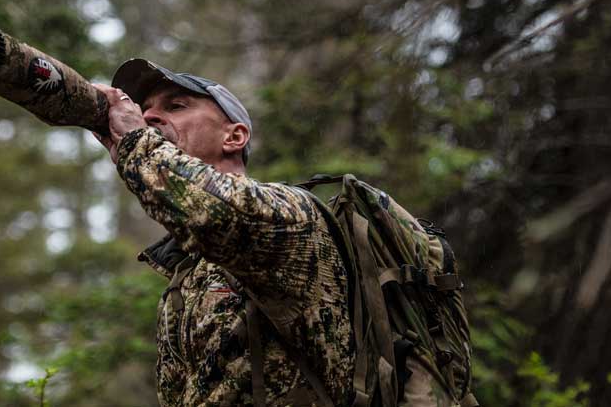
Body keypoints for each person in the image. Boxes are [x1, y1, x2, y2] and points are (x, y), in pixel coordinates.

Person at [93, 60, 452, 406]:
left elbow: (215, 212)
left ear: (234, 137)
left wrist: (136, 142)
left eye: (176, 105)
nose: (151, 116)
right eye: (146, 108)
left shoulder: (291, 216)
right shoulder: (188, 271)